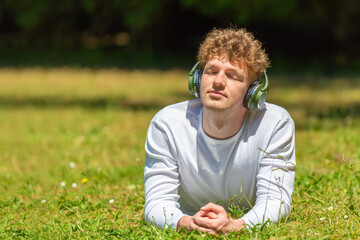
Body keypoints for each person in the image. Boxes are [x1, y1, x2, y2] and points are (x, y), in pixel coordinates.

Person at [144, 28, 296, 235]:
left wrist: (236, 226)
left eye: (232, 76)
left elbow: (275, 202)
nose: (218, 82)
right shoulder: (167, 124)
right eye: (212, 71)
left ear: (254, 92)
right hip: (189, 216)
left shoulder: (275, 124)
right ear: (197, 79)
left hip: (243, 217)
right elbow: (156, 203)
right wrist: (186, 223)